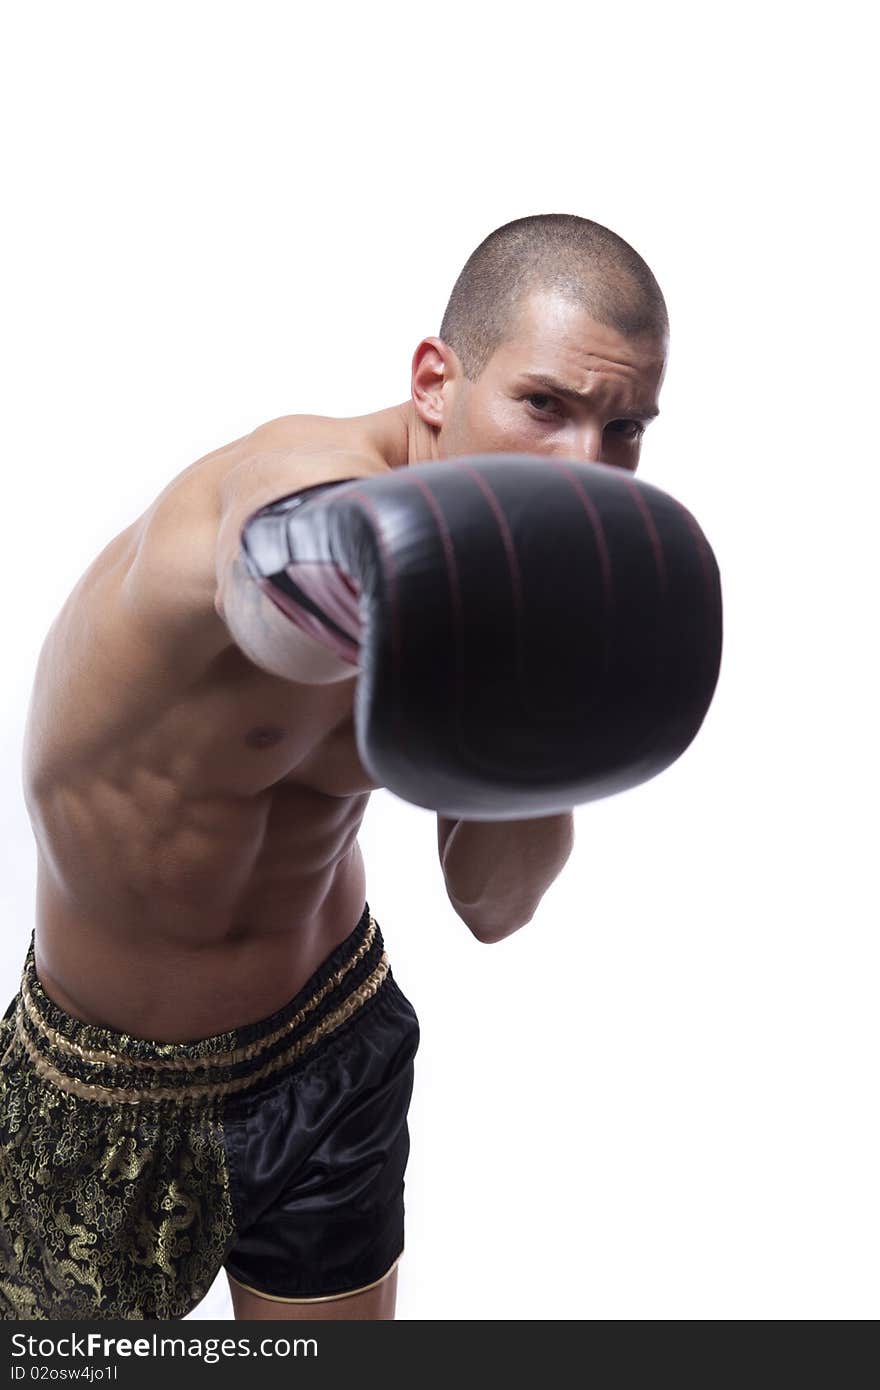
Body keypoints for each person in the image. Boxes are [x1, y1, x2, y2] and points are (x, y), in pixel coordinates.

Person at [0, 214, 677, 1321]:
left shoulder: (516, 595)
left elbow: (491, 904)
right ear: (433, 380)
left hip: (331, 1045)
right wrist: (390, 579)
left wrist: (544, 710)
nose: (584, 467)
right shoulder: (290, 477)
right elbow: (264, 579)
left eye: (624, 430)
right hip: (105, 1092)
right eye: (544, 405)